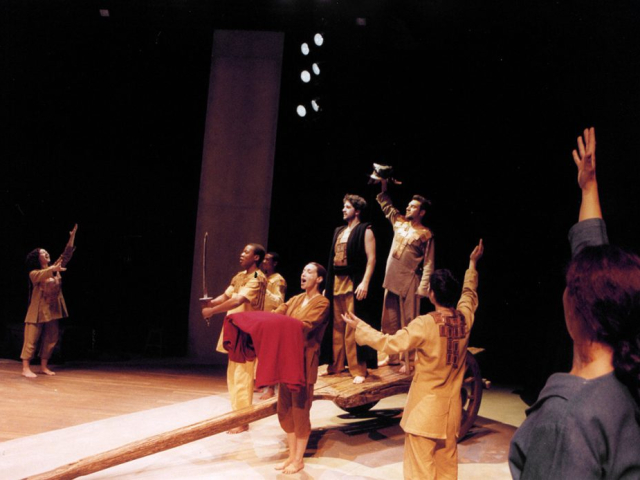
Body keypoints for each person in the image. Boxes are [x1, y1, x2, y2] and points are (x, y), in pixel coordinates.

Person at [509, 127, 640, 479]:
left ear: (579, 309)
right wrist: (589, 187)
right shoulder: (626, 382)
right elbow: (595, 264)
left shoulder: (566, 420)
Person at [343, 240, 483, 480]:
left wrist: (362, 328)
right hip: (451, 415)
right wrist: (472, 264)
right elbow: (469, 295)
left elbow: (389, 343)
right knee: (446, 470)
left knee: (419, 472)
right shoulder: (464, 320)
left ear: (432, 294)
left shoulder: (425, 324)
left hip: (425, 414)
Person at [202, 243, 267, 434]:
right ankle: (237, 415)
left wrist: (212, 311)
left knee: (243, 377)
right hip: (234, 328)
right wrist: (210, 303)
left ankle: (243, 420)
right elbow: (226, 296)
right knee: (233, 375)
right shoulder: (239, 276)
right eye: (242, 251)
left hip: (247, 330)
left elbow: (238, 300)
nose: (242, 254)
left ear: (256, 257)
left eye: (246, 252)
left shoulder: (257, 277)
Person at [272, 262, 330, 475]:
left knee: (300, 410)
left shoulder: (322, 302)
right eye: (303, 270)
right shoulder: (296, 299)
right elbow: (278, 313)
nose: (303, 273)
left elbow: (305, 325)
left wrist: (282, 322)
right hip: (287, 359)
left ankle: (298, 460)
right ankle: (291, 455)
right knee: (284, 409)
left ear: (319, 279)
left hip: (304, 361)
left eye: (309, 271)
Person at [376, 179, 434, 373]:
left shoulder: (425, 234)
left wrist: (423, 288)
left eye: (413, 206)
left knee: (409, 321)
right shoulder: (400, 223)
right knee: (388, 321)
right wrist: (384, 185)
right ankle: (392, 356)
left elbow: (428, 262)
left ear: (422, 212)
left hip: (410, 281)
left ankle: (409, 359)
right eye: (408, 205)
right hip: (392, 278)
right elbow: (387, 207)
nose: (408, 208)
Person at [325, 194, 376, 384]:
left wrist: (365, 282)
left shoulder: (365, 230)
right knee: (337, 325)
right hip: (337, 281)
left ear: (357, 210)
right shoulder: (339, 231)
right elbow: (332, 259)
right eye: (344, 206)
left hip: (353, 281)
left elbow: (371, 259)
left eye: (347, 207)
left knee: (352, 326)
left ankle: (358, 368)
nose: (343, 209)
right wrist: (328, 286)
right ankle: (336, 364)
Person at [21, 224, 78, 378]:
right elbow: (45, 273)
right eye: (42, 253)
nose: (46, 253)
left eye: (46, 251)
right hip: (38, 310)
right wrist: (53, 269)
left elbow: (66, 256)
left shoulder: (54, 268)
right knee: (31, 338)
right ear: (37, 258)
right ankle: (25, 368)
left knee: (51, 338)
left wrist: (71, 238)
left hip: (52, 309)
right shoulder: (34, 273)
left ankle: (43, 367)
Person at [258, 251, 288, 399]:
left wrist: (265, 290)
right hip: (260, 318)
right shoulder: (261, 276)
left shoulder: (279, 280)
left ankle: (271, 389)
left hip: (272, 318)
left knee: (270, 355)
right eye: (263, 260)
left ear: (274, 263)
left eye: (267, 260)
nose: (264, 262)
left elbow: (279, 301)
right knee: (261, 354)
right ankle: (261, 383)